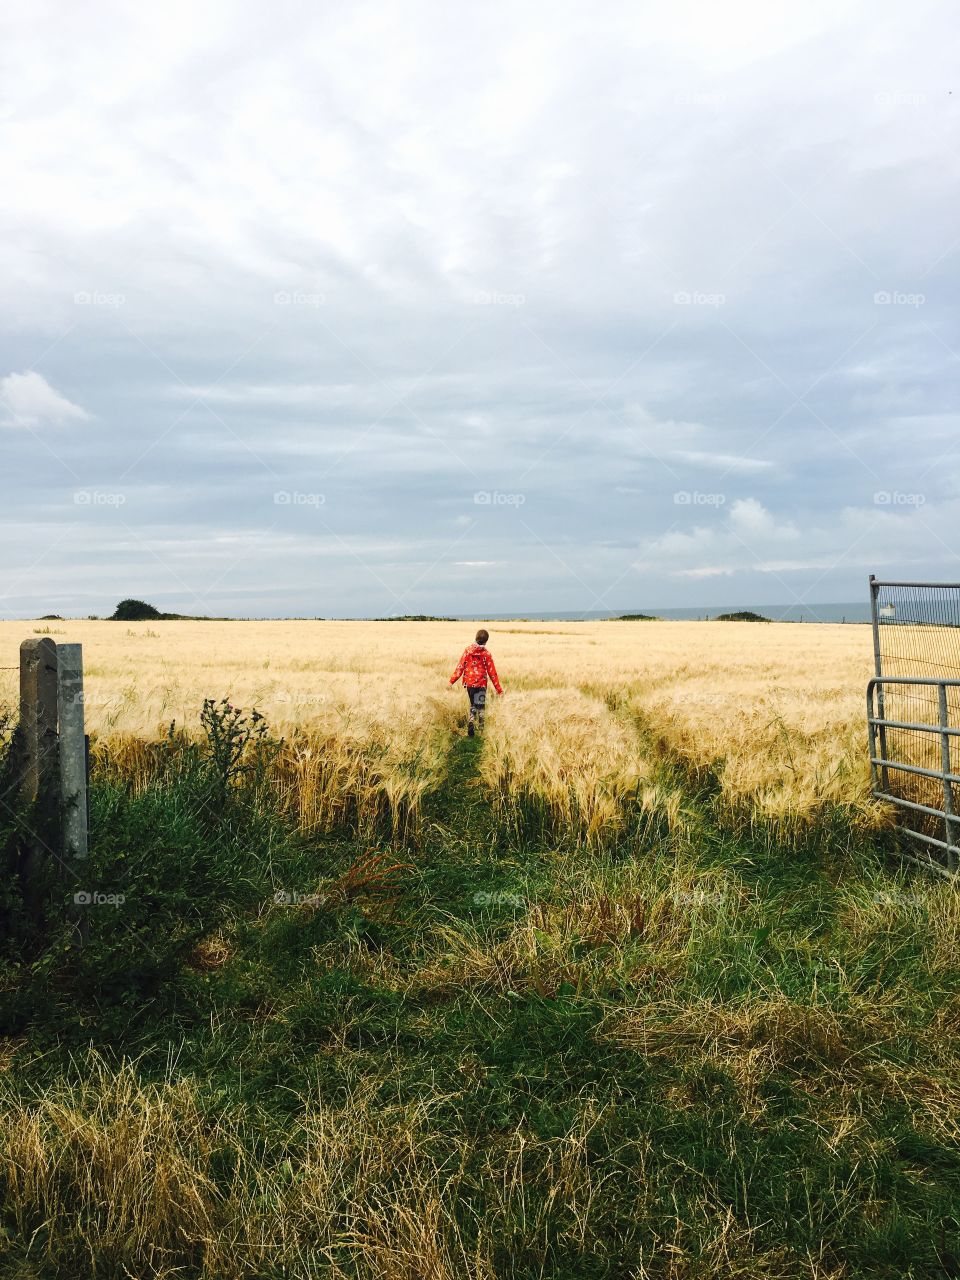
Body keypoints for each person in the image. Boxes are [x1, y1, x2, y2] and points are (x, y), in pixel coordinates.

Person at [449, 628, 502, 736]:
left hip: (470, 684)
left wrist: (451, 681)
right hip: (481, 684)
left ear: (475, 638)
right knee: (481, 706)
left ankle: (471, 722)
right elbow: (492, 673)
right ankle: (482, 730)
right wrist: (499, 690)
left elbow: (460, 667)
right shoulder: (486, 654)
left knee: (473, 704)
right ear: (486, 641)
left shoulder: (467, 651)